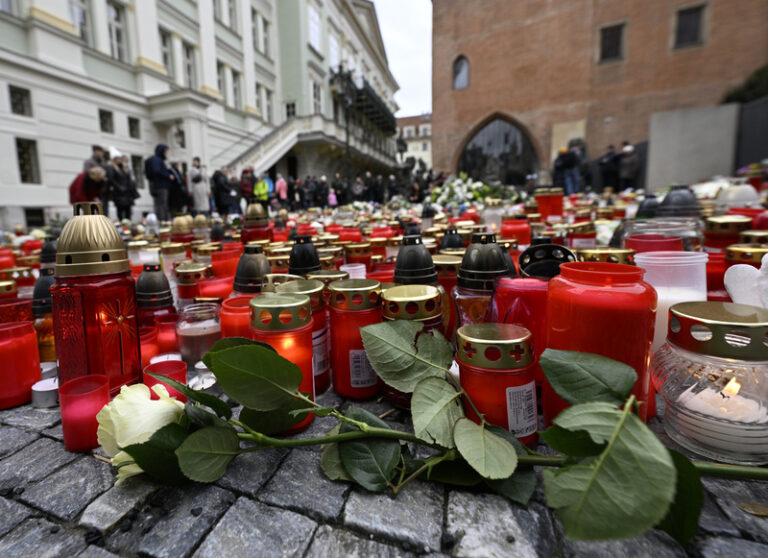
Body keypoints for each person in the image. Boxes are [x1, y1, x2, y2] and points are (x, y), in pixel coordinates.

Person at [106, 149, 139, 221]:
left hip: (127, 194)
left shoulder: (124, 168)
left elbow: (128, 179)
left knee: (128, 212)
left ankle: (128, 226)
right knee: (120, 211)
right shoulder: (111, 168)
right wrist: (120, 188)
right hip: (119, 194)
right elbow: (112, 180)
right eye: (118, 158)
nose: (120, 160)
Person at [147, 144, 175, 221]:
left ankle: (164, 220)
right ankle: (162, 221)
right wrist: (168, 175)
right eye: (165, 150)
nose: (166, 152)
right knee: (161, 205)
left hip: (161, 186)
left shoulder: (159, 160)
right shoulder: (157, 160)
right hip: (160, 186)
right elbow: (157, 171)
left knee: (163, 205)